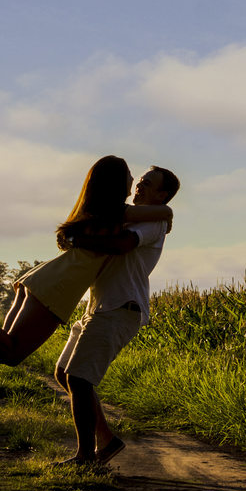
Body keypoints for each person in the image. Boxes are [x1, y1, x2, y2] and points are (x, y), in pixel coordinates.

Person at [0, 156, 171, 366]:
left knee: (3, 347)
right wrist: (167, 211)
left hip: (45, 278)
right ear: (114, 184)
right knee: (11, 352)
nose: (133, 183)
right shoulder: (118, 214)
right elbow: (161, 212)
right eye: (130, 178)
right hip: (60, 284)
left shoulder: (93, 212)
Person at [52, 165, 179, 466]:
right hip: (99, 306)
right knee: (64, 374)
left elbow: (123, 245)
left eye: (147, 184)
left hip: (121, 307)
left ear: (162, 195)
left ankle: (86, 456)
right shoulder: (131, 215)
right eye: (139, 182)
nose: (139, 187)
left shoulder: (154, 221)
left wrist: (78, 240)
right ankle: (107, 442)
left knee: (79, 379)